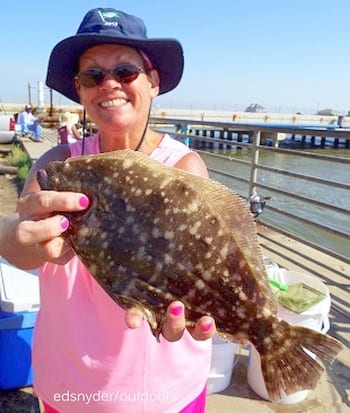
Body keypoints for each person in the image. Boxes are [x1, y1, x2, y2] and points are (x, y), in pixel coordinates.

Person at [0, 8, 216, 413]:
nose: (109, 84)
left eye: (126, 71)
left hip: (163, 393)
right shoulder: (58, 166)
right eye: (92, 76)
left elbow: (202, 269)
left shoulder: (184, 168)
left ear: (153, 82)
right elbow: (16, 244)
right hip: (68, 384)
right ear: (80, 91)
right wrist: (18, 235)